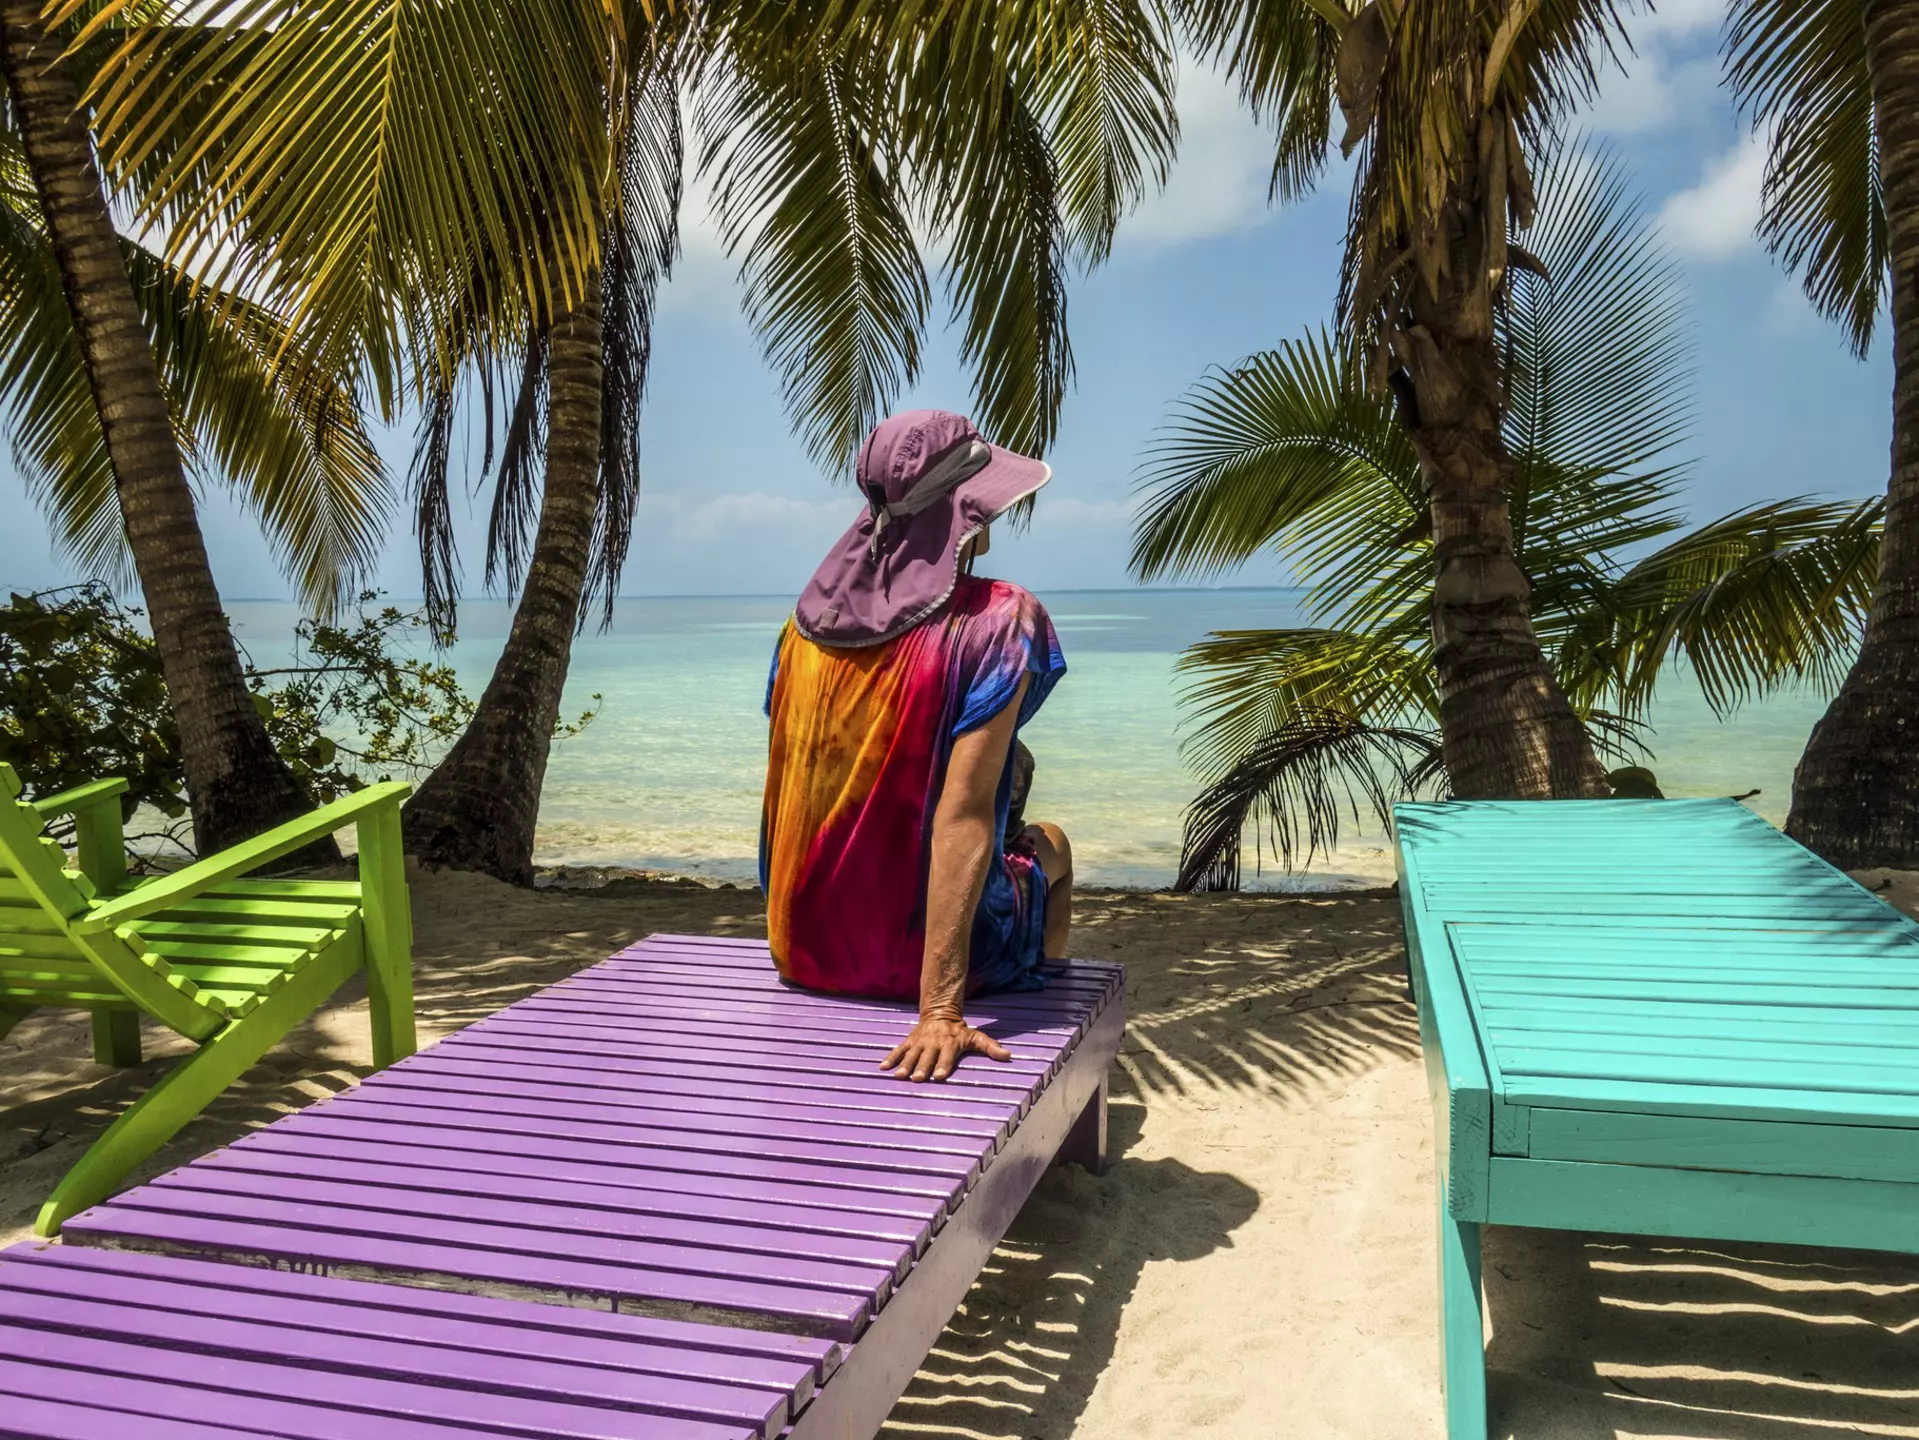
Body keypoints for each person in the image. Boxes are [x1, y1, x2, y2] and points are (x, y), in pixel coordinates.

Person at [760, 409, 1074, 1084]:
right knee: (1049, 844)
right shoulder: (1000, 617)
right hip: (907, 968)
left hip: (800, 946)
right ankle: (1049, 998)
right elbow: (961, 817)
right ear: (967, 512)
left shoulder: (804, 626)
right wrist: (939, 1009)